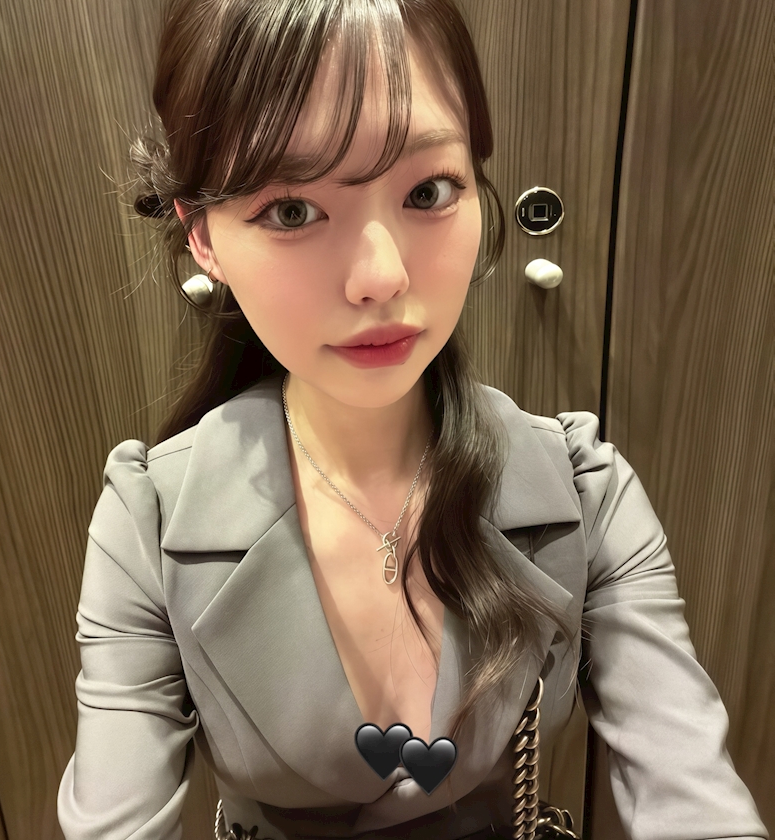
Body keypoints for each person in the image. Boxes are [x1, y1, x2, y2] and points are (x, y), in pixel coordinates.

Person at [57, 1, 768, 839]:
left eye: (428, 191)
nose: (382, 276)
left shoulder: (585, 492)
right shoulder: (148, 525)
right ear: (203, 236)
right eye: (292, 210)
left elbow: (692, 788)